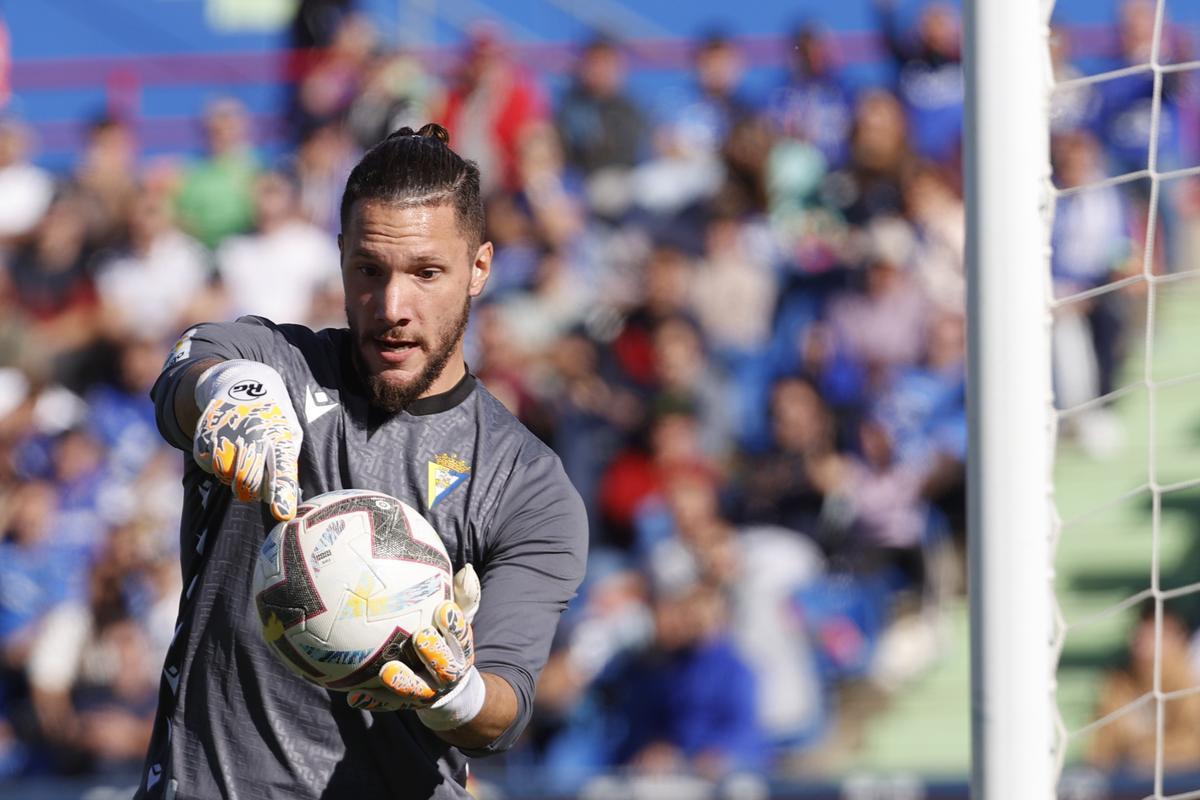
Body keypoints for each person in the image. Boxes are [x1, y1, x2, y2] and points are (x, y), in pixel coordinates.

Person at [133, 124, 589, 799]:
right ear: (340, 257)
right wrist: (227, 396)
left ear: (480, 269)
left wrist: (453, 692)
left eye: (427, 273)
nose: (392, 307)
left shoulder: (525, 483)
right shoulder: (274, 368)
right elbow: (190, 373)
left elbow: (503, 711)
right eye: (369, 270)